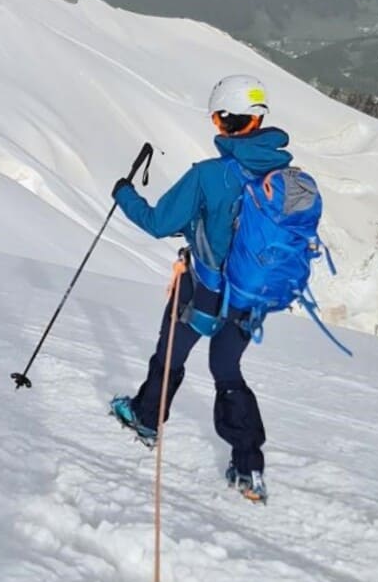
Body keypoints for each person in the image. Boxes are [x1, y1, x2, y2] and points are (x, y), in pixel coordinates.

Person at [107, 75, 290, 504]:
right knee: (227, 372)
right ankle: (248, 469)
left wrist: (123, 194)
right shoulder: (283, 176)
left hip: (202, 288)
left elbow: (157, 223)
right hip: (250, 295)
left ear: (226, 119)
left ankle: (146, 418)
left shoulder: (209, 176)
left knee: (171, 351)